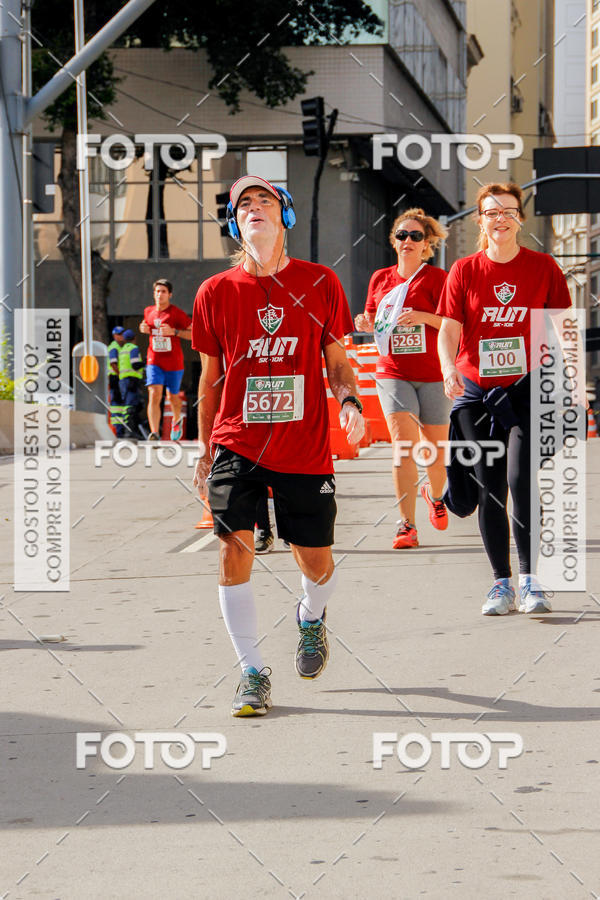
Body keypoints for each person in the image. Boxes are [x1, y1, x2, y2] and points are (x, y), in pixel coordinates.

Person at [192, 175, 364, 717]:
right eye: (244, 203)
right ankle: (251, 672)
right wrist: (203, 450)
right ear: (234, 223)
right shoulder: (214, 293)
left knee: (316, 563)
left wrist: (350, 402)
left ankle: (310, 616)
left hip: (304, 444)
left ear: (284, 217)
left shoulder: (320, 283)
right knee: (233, 546)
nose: (254, 208)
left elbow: (337, 362)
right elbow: (209, 381)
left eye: (266, 200)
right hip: (236, 439)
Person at [437, 182, 572, 616]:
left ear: (520, 218)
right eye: (491, 212)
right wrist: (447, 368)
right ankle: (501, 585)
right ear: (481, 221)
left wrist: (572, 383)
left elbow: (562, 329)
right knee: (490, 488)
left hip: (526, 388)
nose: (501, 218)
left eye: (508, 211)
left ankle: (532, 581)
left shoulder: (543, 267)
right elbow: (449, 331)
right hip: (477, 393)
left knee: (519, 478)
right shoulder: (464, 271)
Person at [355, 209, 450, 549]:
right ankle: (406, 524)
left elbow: (453, 325)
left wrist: (421, 316)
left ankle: (435, 496)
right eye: (402, 236)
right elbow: (371, 318)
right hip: (393, 372)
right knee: (403, 448)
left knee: (437, 454)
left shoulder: (438, 279)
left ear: (427, 246)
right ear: (394, 242)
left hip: (434, 375)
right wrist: (365, 324)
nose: (408, 241)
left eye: (416, 237)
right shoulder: (380, 279)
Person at [138, 279, 192, 441]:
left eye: (163, 292)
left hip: (174, 363)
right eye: (157, 291)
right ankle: (154, 432)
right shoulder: (148, 311)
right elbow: (144, 325)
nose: (159, 294)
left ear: (170, 295)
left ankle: (177, 420)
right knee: (154, 393)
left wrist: (174, 332)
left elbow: (193, 334)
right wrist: (142, 328)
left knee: (172, 397)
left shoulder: (176, 313)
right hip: (154, 360)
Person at [118, 329, 144, 439]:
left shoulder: (123, 349)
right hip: (132, 380)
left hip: (124, 380)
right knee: (131, 406)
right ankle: (130, 432)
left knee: (127, 406)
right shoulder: (133, 349)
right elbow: (135, 365)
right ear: (134, 339)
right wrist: (147, 362)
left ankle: (128, 431)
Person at [108, 326, 125, 437]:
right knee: (116, 404)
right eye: (119, 334)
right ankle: (117, 430)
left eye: (122, 334)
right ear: (114, 336)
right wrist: (121, 375)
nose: (121, 336)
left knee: (119, 405)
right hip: (115, 378)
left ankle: (119, 429)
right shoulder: (114, 347)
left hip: (116, 378)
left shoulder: (120, 346)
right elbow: (113, 363)